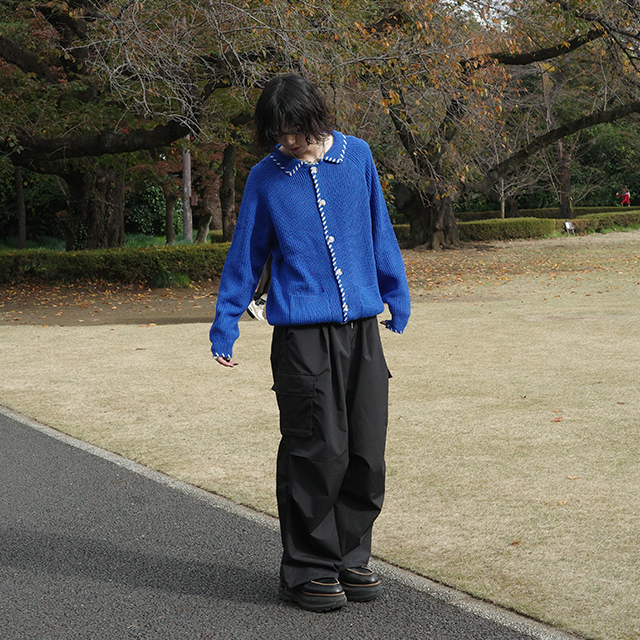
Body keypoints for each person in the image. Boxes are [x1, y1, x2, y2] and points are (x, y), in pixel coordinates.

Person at [209, 74, 411, 612]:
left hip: (362, 331)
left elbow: (379, 228)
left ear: (315, 118)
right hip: (301, 337)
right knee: (316, 450)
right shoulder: (266, 177)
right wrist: (226, 322)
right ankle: (307, 569)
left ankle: (348, 557)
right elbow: (246, 255)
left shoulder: (357, 156)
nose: (288, 142)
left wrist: (396, 292)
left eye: (295, 130)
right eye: (278, 133)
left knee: (366, 451)